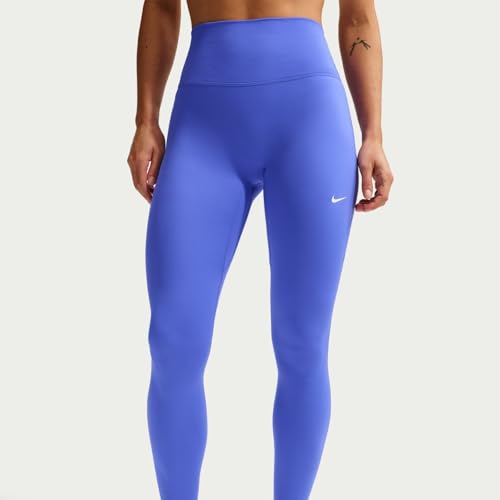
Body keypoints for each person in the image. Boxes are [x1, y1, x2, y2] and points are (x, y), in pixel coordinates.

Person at [127, 0, 394, 498]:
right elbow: (161, 7)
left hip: (308, 120)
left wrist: (373, 132)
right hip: (204, 125)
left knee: (301, 342)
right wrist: (146, 119)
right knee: (173, 340)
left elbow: (357, 16)